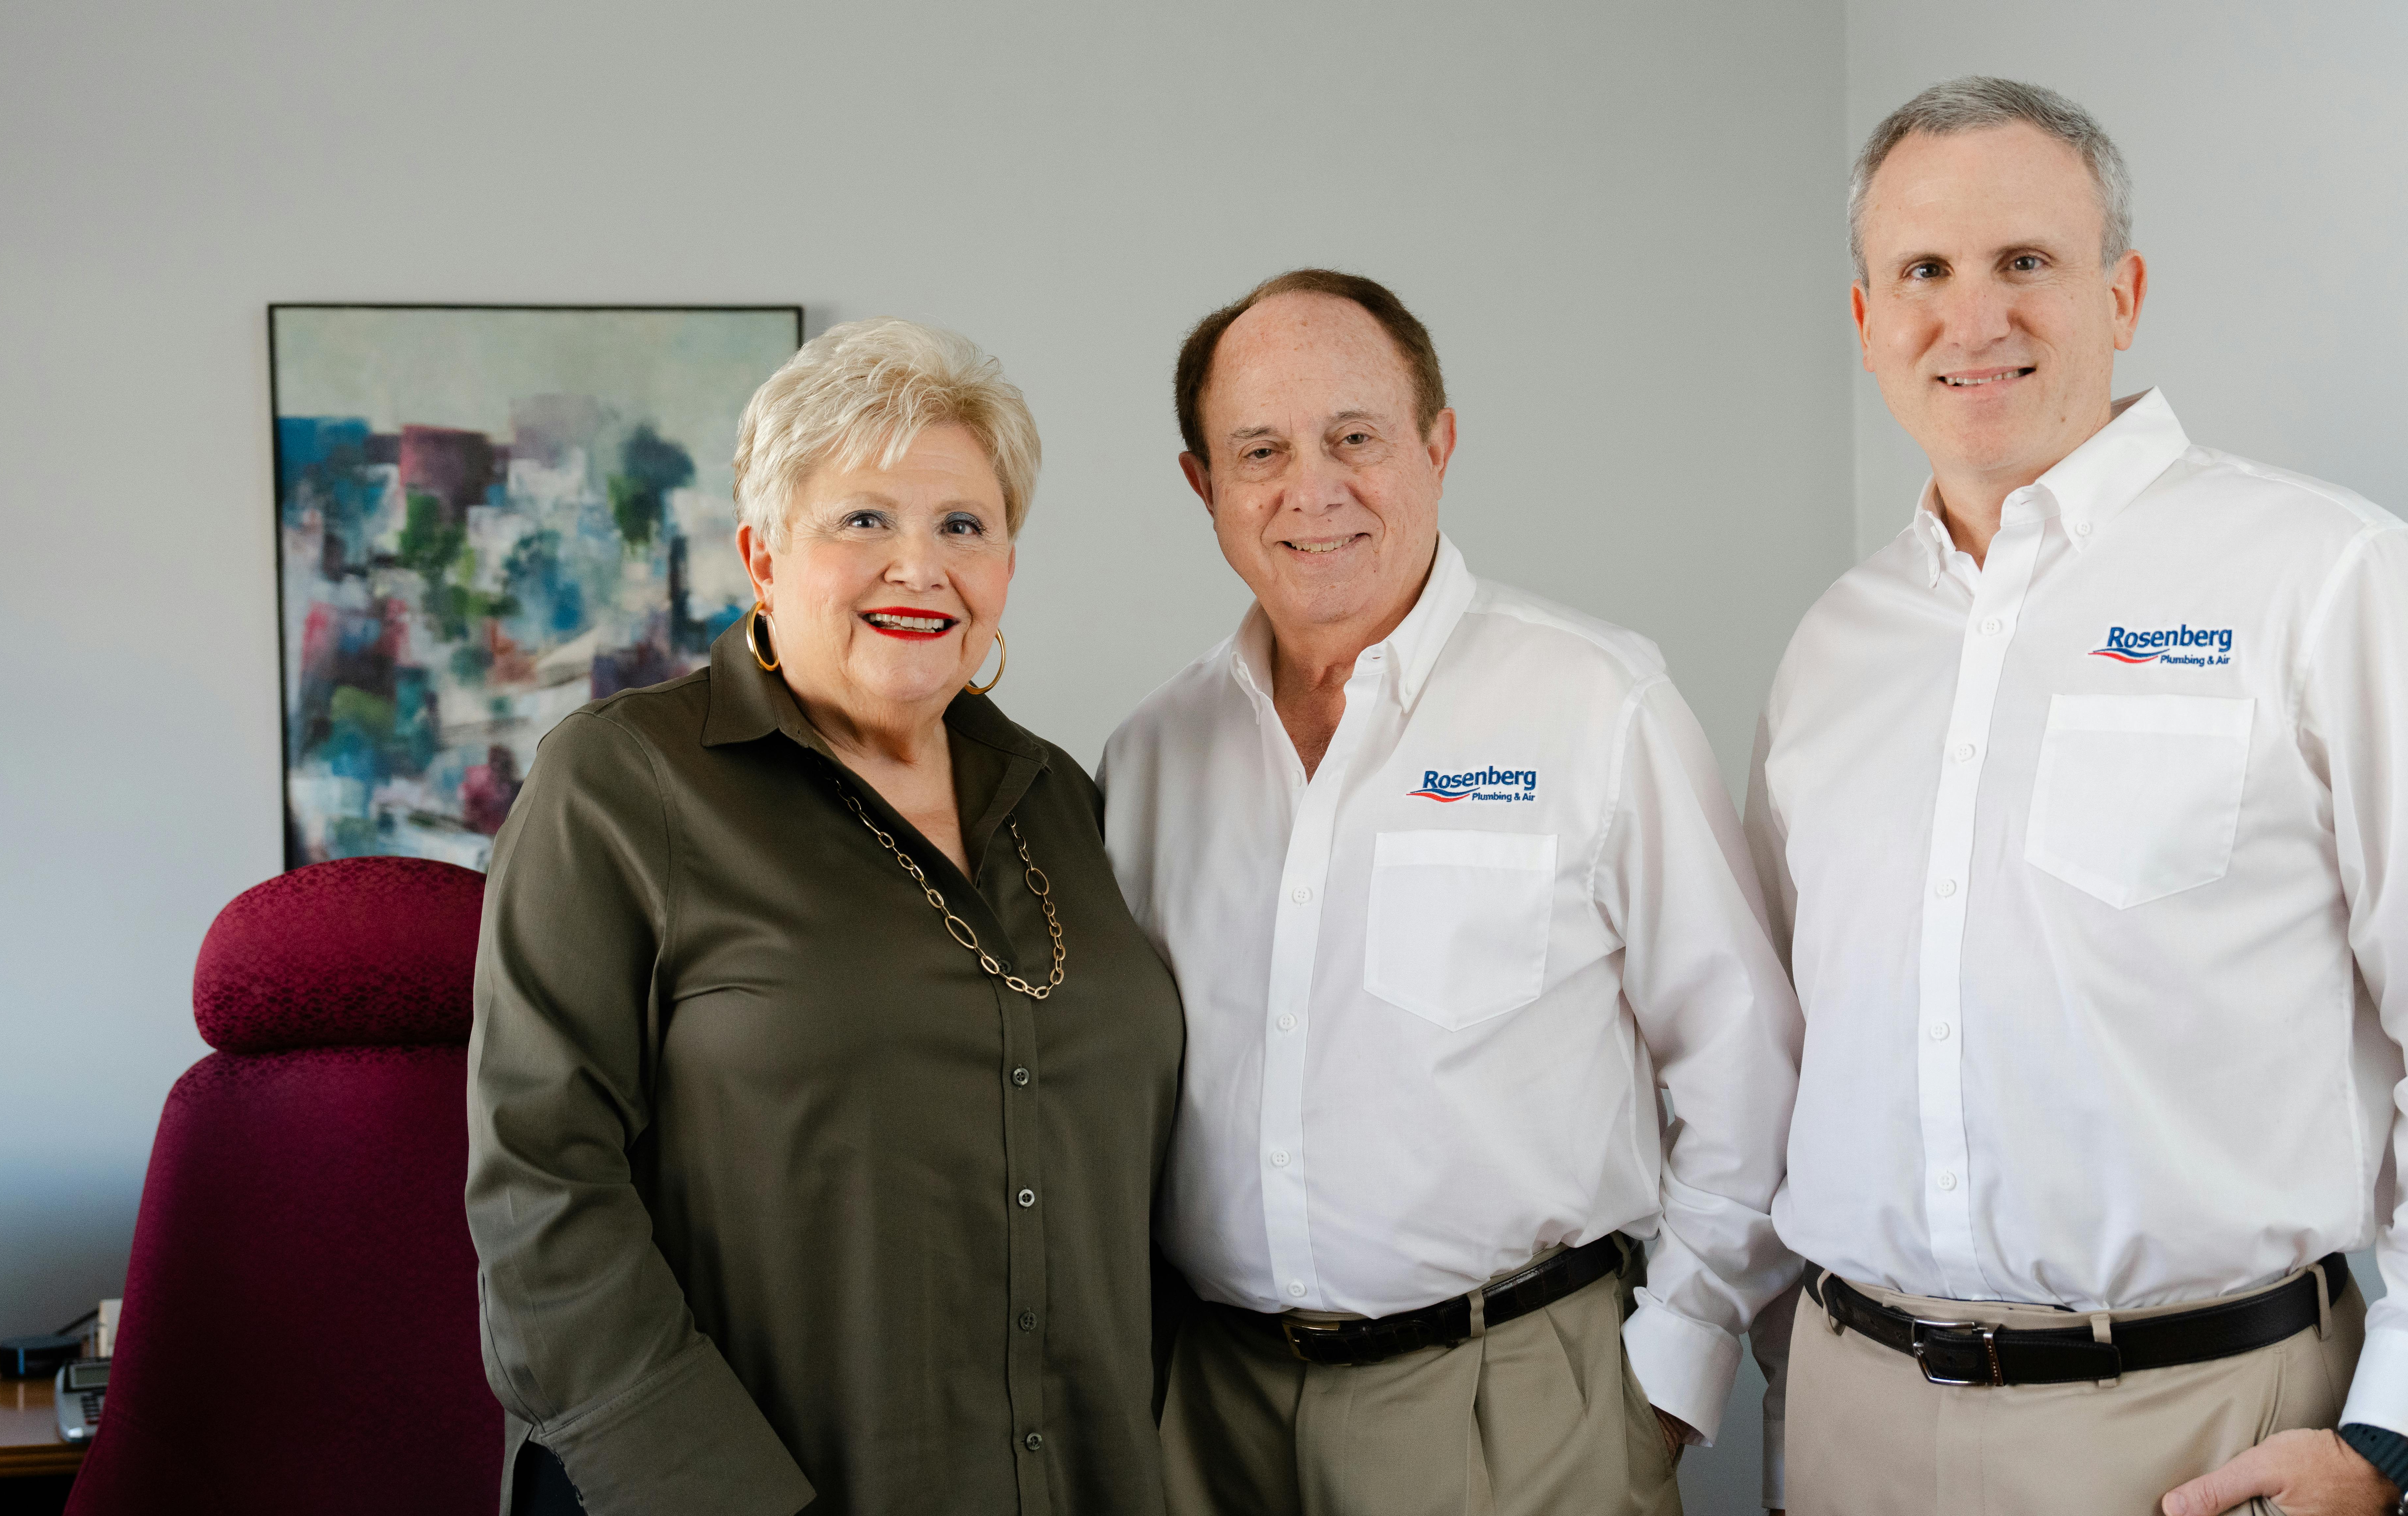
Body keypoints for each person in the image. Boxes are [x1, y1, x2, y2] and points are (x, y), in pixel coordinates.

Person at [1748, 76, 2408, 1516]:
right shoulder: (1832, 650)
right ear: (1864, 321)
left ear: (2123, 292)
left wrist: (2391, 1435)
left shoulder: (2324, 579)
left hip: (2196, 1426)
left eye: (2025, 261)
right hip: (1851, 1414)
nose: (1972, 317)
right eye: (1922, 271)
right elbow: (1785, 1048)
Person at [1102, 268, 1803, 1516]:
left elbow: (1744, 1060)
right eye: (1260, 452)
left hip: (1516, 1405)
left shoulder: (1595, 701)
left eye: (1355, 438)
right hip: (1213, 1415)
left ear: (1439, 445)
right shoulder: (1153, 756)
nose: (1313, 490)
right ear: (1203, 486)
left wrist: (1668, 1374)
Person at [465, 318, 1186, 1515]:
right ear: (762, 556)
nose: (920, 567)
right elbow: (542, 1194)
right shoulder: (624, 783)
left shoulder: (1063, 800)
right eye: (863, 521)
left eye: (963, 526)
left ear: (1006, 567)